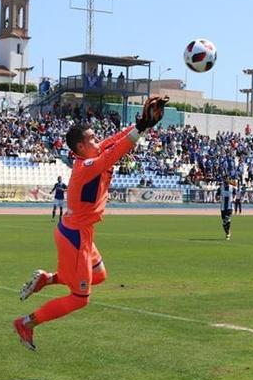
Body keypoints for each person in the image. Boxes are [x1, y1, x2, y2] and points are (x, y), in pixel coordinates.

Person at [14, 96, 169, 351]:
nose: (98, 142)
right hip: (75, 237)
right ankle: (26, 323)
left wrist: (142, 125)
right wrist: (140, 128)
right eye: (92, 140)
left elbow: (114, 142)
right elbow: (115, 152)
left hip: (79, 233)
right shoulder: (86, 166)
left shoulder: (91, 154)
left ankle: (47, 279)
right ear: (80, 147)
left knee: (99, 275)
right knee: (80, 299)